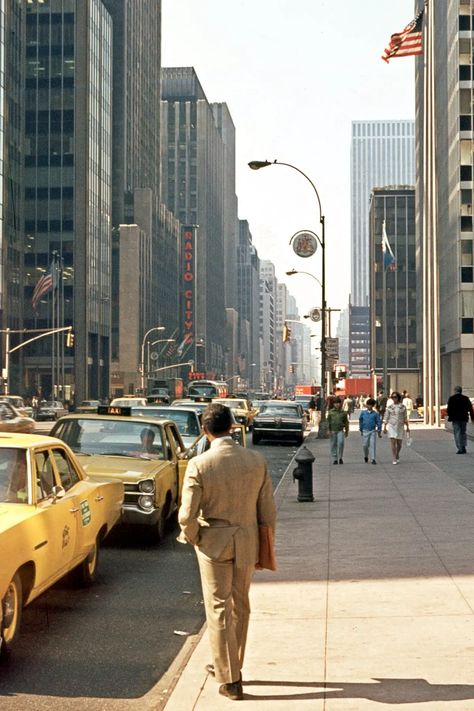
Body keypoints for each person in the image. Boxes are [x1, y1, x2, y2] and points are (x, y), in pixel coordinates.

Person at [178, 403, 276, 701]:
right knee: (240, 605)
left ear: (205, 430)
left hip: (213, 544)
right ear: (233, 427)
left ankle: (230, 677)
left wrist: (196, 538)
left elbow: (186, 516)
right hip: (247, 541)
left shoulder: (200, 464)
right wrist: (263, 543)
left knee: (218, 607)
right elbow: (268, 512)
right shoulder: (256, 461)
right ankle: (232, 666)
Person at [383, 391, 409, 465]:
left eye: (395, 397)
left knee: (399, 443)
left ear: (398, 398)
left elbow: (405, 417)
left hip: (400, 426)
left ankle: (397, 453)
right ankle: (394, 457)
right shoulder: (389, 407)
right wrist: (384, 426)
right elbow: (386, 416)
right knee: (393, 442)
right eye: (392, 397)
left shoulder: (403, 407)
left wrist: (407, 427)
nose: (394, 399)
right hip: (392, 425)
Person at [446, 385, 474, 454]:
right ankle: (463, 446)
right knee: (463, 432)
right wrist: (472, 417)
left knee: (457, 433)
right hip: (464, 418)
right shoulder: (466, 398)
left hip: (455, 418)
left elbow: (449, 409)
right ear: (461, 391)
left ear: (455, 391)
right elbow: (470, 409)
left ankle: (460, 448)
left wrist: (450, 416)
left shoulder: (452, 398)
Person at [327, 397, 349, 464]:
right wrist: (328, 430)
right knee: (333, 444)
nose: (337, 404)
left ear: (340, 404)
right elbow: (328, 421)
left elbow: (346, 422)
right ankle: (334, 459)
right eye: (335, 403)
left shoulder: (343, 413)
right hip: (333, 430)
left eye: (338, 403)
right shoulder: (330, 412)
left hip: (340, 430)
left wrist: (347, 431)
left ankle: (340, 457)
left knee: (341, 443)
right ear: (333, 404)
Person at [359, 398, 382, 464]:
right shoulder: (363, 413)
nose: (369, 406)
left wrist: (379, 431)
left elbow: (378, 422)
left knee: (373, 445)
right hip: (365, 430)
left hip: (373, 431)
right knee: (365, 445)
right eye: (368, 405)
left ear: (373, 406)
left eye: (371, 405)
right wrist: (361, 429)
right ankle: (366, 455)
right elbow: (361, 421)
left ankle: (373, 459)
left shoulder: (375, 414)